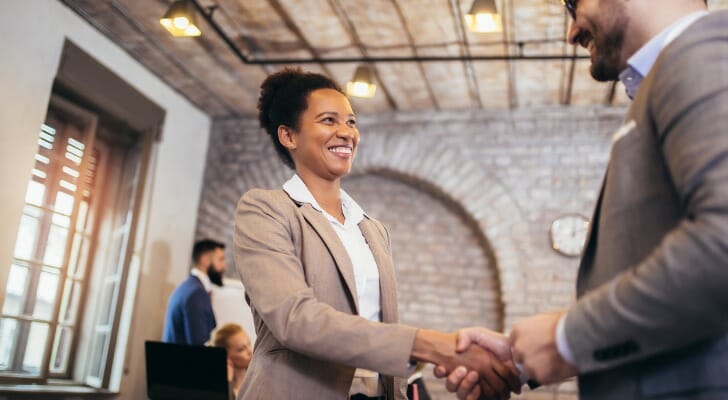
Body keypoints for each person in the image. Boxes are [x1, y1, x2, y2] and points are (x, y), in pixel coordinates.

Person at [439, 0, 728, 399]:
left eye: (575, 5)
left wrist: (567, 339)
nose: (571, 32)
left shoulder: (705, 50)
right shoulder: (677, 71)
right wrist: (521, 359)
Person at [233, 67, 521, 400]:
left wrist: (449, 356)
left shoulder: (372, 228)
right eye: (328, 120)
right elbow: (295, 319)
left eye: (351, 122)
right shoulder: (266, 210)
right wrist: (432, 345)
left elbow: (380, 324)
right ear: (289, 136)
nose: (346, 133)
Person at [162, 239, 227, 345]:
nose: (224, 266)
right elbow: (199, 345)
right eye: (221, 259)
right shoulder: (196, 294)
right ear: (205, 259)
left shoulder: (189, 287)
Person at [208, 323, 252, 400]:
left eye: (249, 343)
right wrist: (229, 382)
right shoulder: (218, 390)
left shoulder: (259, 376)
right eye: (241, 349)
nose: (250, 351)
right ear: (226, 356)